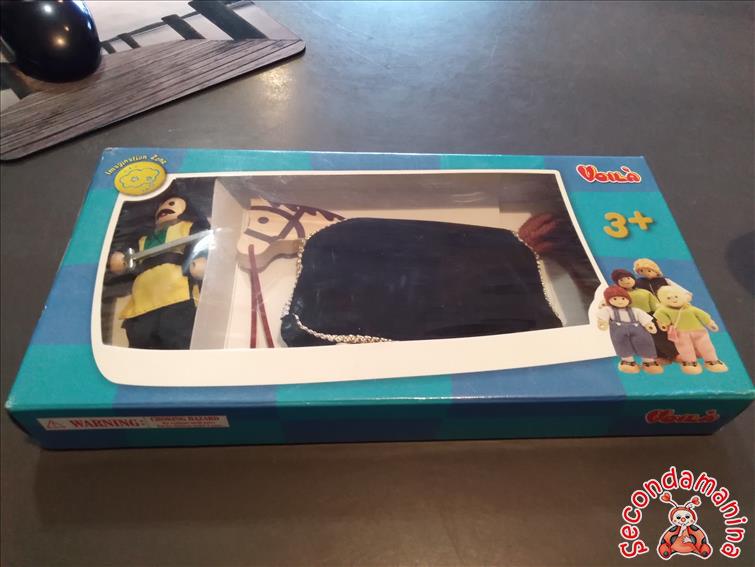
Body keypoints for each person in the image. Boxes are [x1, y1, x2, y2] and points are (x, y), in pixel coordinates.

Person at [108, 194, 209, 349]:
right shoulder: (143, 239)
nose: (163, 209)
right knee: (141, 344)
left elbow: (202, 244)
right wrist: (120, 259)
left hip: (178, 298)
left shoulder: (188, 227)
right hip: (141, 305)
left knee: (178, 341)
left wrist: (202, 259)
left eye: (171, 204)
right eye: (161, 206)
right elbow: (123, 258)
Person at [596, 285, 663, 374]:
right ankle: (628, 362)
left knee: (644, 342)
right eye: (615, 299)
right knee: (621, 344)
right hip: (619, 332)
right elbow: (603, 316)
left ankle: (649, 362)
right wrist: (603, 322)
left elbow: (642, 316)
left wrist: (648, 324)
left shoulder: (635, 310)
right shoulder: (609, 310)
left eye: (623, 298)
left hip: (638, 330)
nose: (620, 301)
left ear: (628, 299)